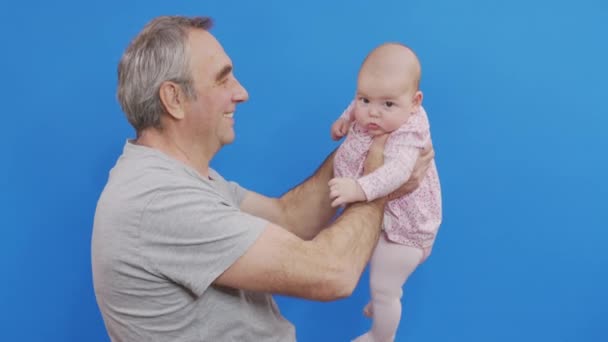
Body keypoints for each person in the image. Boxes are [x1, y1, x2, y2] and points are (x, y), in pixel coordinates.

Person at [91, 16, 433, 341]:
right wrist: (380, 180)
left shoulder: (182, 179)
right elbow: (333, 272)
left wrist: (368, 140)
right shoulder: (159, 199)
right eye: (223, 79)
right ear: (174, 99)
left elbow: (290, 218)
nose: (241, 93)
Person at [329, 43, 443, 341]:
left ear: (415, 101)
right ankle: (384, 300)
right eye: (365, 99)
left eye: (388, 104)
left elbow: (398, 174)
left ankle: (380, 336)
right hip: (387, 223)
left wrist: (359, 187)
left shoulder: (408, 133)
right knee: (376, 271)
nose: (373, 113)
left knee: (384, 288)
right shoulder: (377, 108)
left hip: (406, 230)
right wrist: (346, 117)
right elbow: (362, 103)